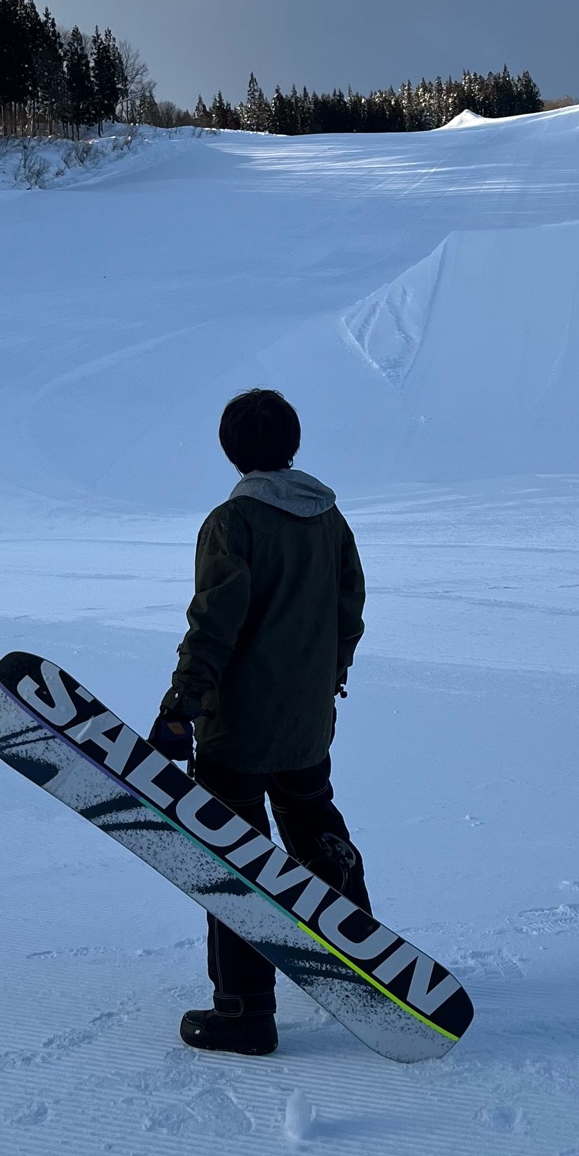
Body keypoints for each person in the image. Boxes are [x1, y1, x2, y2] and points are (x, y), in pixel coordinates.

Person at [148, 388, 369, 1055]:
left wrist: (179, 709)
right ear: (292, 444)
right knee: (315, 829)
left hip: (237, 732)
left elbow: (215, 621)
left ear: (231, 450)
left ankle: (245, 1009)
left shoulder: (232, 522)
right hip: (306, 725)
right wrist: (324, 683)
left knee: (234, 862)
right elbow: (348, 609)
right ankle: (358, 960)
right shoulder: (328, 518)